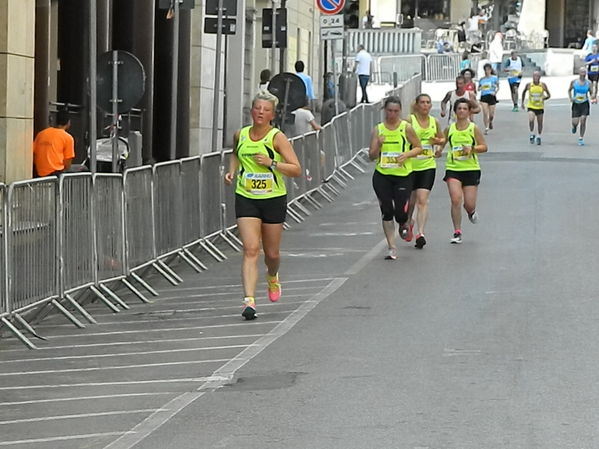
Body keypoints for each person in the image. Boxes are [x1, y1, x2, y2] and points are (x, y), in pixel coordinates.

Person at [224, 91, 302, 320]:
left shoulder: (277, 138)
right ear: (251, 110)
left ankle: (272, 275)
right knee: (250, 249)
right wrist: (231, 171)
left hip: (273, 198)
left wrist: (272, 163)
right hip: (246, 196)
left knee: (272, 253)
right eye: (257, 108)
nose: (260, 112)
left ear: (272, 115)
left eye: (265, 109)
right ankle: (249, 301)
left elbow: (296, 168)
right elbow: (235, 154)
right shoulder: (241, 134)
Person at [368, 96, 422, 260]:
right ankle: (392, 247)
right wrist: (378, 144)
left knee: (400, 212)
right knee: (386, 211)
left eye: (396, 111)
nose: (392, 114)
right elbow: (371, 156)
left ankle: (404, 222)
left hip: (403, 175)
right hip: (382, 175)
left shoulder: (406, 128)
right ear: (385, 110)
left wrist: (406, 154)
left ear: (400, 111)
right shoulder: (378, 129)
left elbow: (419, 147)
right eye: (389, 111)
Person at [437, 98, 488, 244]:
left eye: (465, 109)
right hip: (453, 168)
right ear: (455, 111)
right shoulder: (450, 128)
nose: (462, 111)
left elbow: (484, 147)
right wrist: (439, 150)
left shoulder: (473, 128)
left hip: (471, 169)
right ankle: (457, 231)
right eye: (459, 109)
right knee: (455, 199)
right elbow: (442, 142)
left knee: (469, 204)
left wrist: (471, 149)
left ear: (469, 111)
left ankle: (471, 212)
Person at [406, 94, 445, 249]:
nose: (425, 105)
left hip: (427, 165)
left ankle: (420, 233)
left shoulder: (434, 122)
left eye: (428, 102)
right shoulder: (409, 121)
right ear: (416, 105)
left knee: (423, 200)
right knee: (411, 201)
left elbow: (442, 139)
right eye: (422, 102)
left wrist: (438, 145)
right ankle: (408, 222)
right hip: (410, 166)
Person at [33, 110, 75, 177]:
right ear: (68, 122)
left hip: (38, 173)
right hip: (56, 174)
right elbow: (67, 162)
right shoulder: (68, 138)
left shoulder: (41, 134)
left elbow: (34, 154)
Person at [521, 71, 551, 145]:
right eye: (534, 76)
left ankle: (538, 136)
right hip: (531, 106)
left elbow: (549, 95)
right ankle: (532, 134)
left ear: (540, 77)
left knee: (540, 122)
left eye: (537, 76)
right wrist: (522, 102)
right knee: (531, 119)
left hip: (540, 106)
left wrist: (544, 98)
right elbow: (524, 92)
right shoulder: (529, 85)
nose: (536, 78)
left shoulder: (543, 85)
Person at [568, 67, 591, 146]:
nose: (583, 74)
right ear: (579, 73)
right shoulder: (574, 82)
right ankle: (574, 127)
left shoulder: (588, 83)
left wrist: (593, 95)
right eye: (582, 72)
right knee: (575, 122)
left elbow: (591, 92)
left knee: (583, 120)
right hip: (576, 104)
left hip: (584, 103)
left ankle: (581, 138)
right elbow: (569, 90)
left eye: (584, 72)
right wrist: (571, 98)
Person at [478, 63, 499, 134]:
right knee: (485, 113)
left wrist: (495, 92)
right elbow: (479, 88)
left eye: (488, 70)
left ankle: (490, 121)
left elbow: (498, 87)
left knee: (491, 114)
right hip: (484, 96)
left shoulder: (494, 78)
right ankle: (486, 128)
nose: (487, 71)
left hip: (491, 96)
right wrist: (480, 88)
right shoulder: (482, 79)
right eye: (485, 70)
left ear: (490, 70)